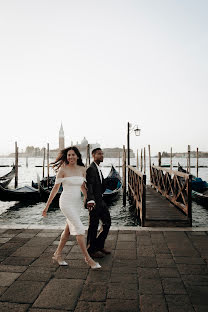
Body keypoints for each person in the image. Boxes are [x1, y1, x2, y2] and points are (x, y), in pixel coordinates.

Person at [42, 146, 101, 269]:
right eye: (68, 155)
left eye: (73, 155)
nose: (71, 157)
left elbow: (83, 187)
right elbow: (55, 189)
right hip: (66, 202)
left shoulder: (82, 169)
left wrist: (89, 199)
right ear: (66, 157)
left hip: (77, 204)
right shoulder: (63, 170)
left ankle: (57, 254)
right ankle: (88, 259)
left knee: (67, 230)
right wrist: (46, 206)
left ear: (77, 156)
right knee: (80, 229)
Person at [86, 147, 111, 258]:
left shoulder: (97, 168)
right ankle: (90, 250)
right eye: (99, 154)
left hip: (100, 200)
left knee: (107, 222)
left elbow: (100, 184)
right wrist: (91, 200)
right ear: (93, 155)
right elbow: (89, 186)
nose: (102, 156)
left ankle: (99, 245)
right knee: (93, 226)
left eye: (102, 154)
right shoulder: (91, 169)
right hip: (94, 202)